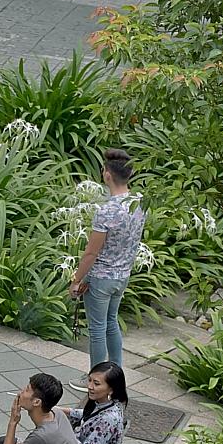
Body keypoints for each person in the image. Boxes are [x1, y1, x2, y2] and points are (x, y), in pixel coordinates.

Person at [70, 149, 145, 367]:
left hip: (101, 278)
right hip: (122, 276)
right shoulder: (140, 203)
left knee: (97, 329)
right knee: (111, 322)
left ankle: (96, 377)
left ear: (107, 175)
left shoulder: (107, 211)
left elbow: (91, 253)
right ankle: (116, 373)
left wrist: (76, 281)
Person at [60, 361, 129, 444]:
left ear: (111, 390)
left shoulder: (108, 420)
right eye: (89, 380)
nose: (90, 386)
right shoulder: (111, 404)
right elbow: (91, 415)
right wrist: (62, 410)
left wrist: (62, 432)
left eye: (96, 383)